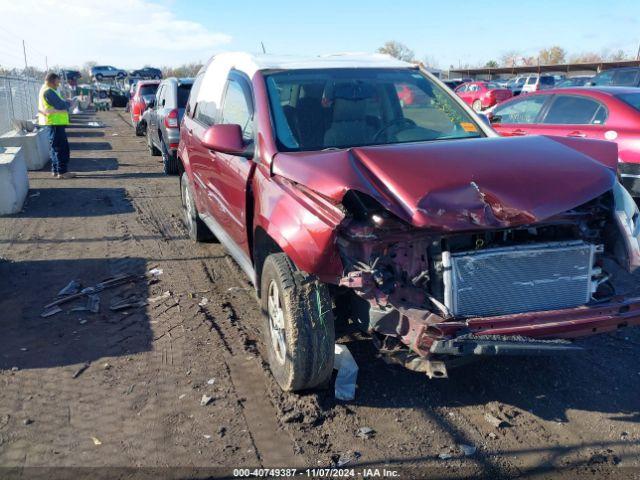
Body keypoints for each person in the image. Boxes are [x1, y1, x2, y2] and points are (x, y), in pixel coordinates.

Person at [38, 72, 75, 179]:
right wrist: (69, 103)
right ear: (52, 80)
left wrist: (64, 102)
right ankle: (62, 172)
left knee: (55, 148)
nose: (58, 84)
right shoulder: (48, 91)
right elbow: (60, 105)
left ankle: (56, 170)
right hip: (55, 123)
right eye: (57, 82)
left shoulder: (45, 89)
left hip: (52, 123)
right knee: (61, 148)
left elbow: (57, 103)